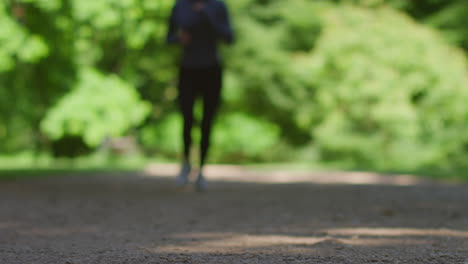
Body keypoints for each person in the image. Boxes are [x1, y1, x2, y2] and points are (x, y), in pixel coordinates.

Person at [166, 0, 234, 191]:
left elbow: (229, 37)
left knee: (207, 121)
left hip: (212, 69)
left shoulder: (218, 6)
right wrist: (179, 39)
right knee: (187, 118)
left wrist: (207, 15)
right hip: (188, 69)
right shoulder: (180, 6)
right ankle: (186, 163)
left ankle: (202, 170)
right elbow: (169, 37)